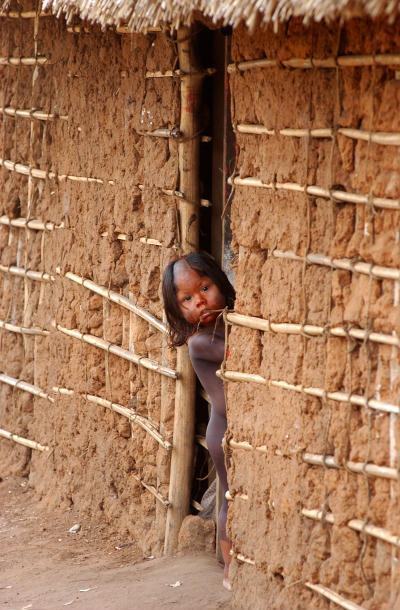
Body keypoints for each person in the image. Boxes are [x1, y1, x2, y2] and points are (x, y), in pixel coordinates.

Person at [162, 251, 235, 591]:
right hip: (224, 432)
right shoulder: (201, 342)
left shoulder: (228, 323)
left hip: (240, 428)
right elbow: (247, 350)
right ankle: (230, 569)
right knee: (228, 498)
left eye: (205, 287)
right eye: (187, 299)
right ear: (177, 310)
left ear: (221, 283)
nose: (200, 301)